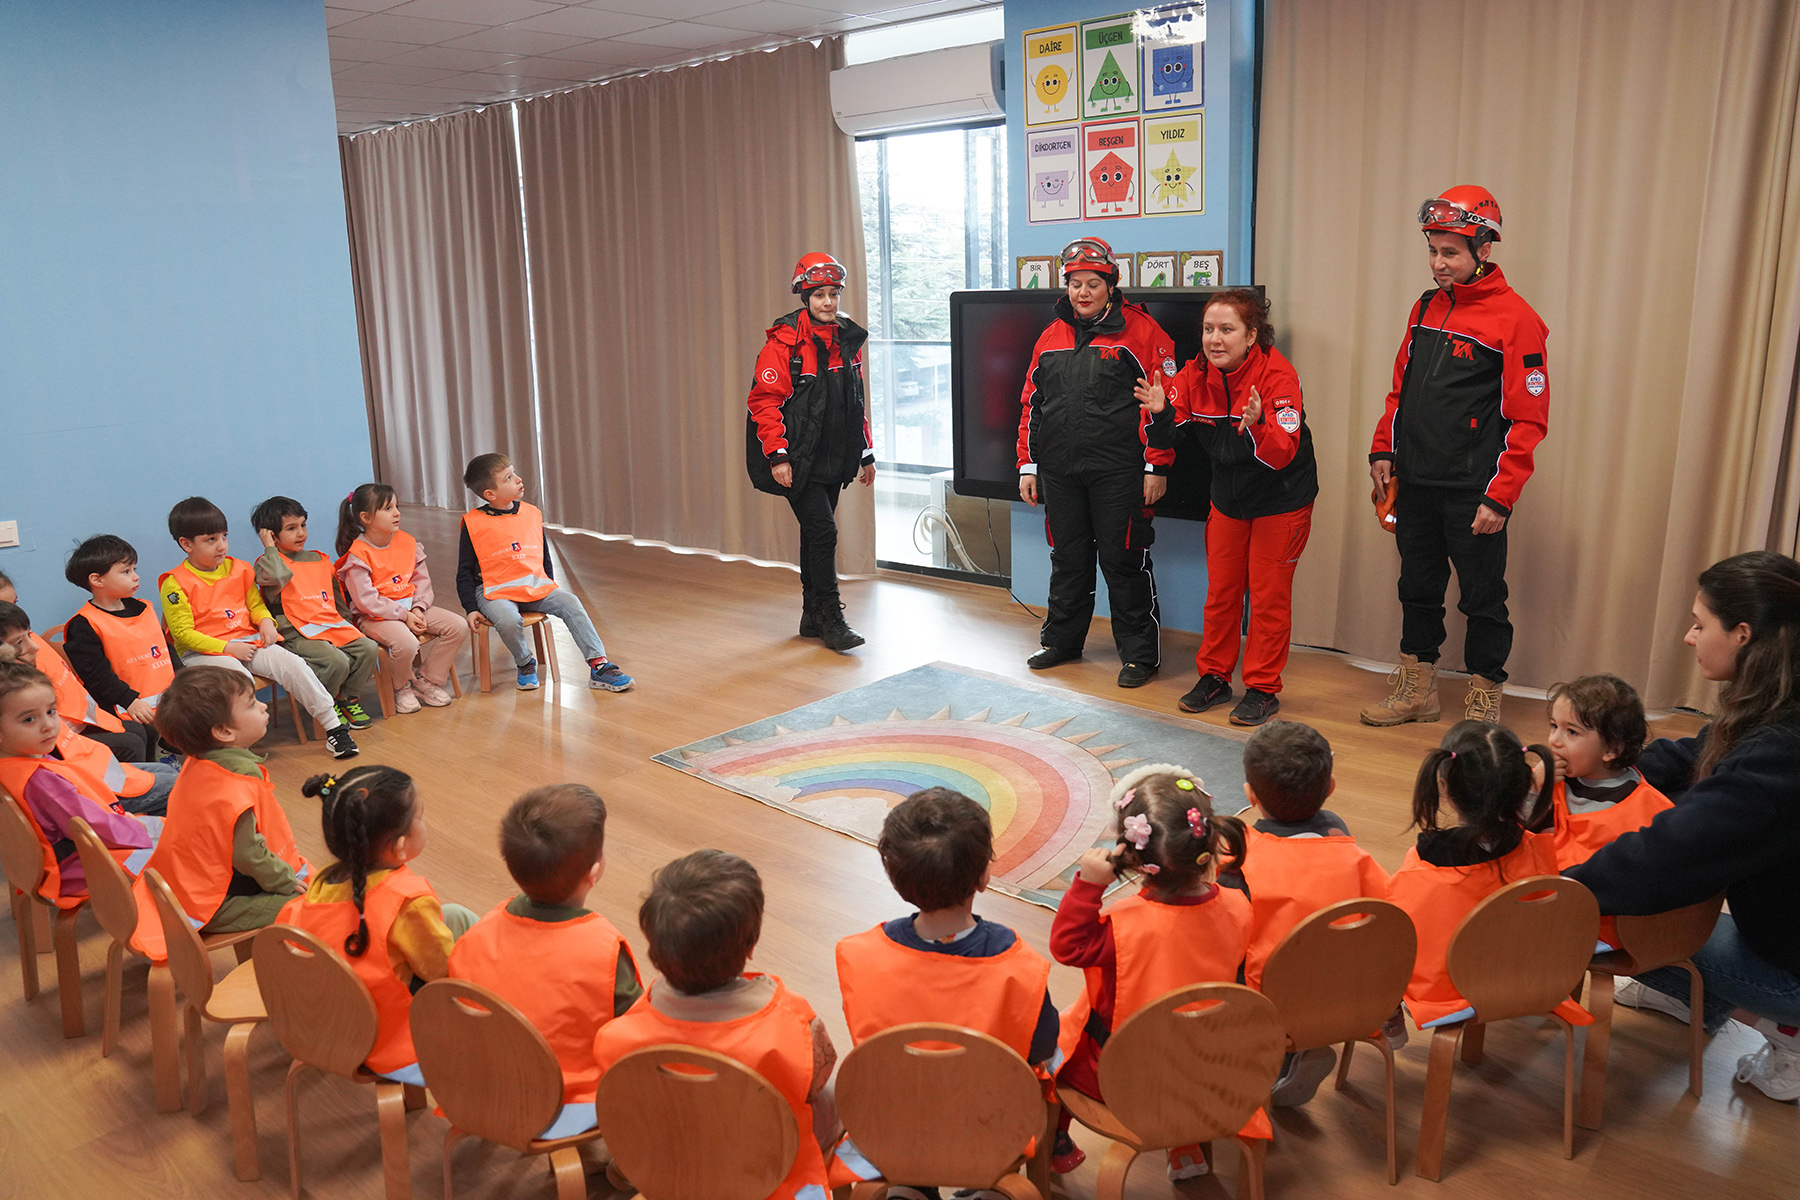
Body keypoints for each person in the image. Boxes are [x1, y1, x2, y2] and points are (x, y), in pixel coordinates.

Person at [1566, 552, 1800, 1101]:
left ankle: (1788, 1028)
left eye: (1699, 624)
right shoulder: (1779, 707)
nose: (1689, 637)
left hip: (1791, 969)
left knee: (1618, 926)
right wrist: (1594, 771)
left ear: (1743, 634)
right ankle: (1697, 999)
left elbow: (1665, 858)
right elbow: (1692, 754)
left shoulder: (1779, 756)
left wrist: (1558, 891)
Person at [1362, 187, 1550, 728]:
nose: (1438, 263)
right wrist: (1384, 448)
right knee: (1417, 590)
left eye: (1450, 252)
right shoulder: (1424, 307)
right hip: (1416, 482)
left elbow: (1529, 421)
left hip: (1475, 492)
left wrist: (1500, 497)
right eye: (1433, 251)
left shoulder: (1517, 319)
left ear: (1483, 250)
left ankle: (1484, 699)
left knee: (1482, 599)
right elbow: (1400, 391)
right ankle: (1417, 692)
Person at [831, 788, 1058, 1188]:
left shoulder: (856, 954)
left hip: (892, 1127)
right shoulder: (1020, 965)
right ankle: (987, 1188)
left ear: (896, 879)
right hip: (991, 1129)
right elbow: (1041, 1048)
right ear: (984, 876)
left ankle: (911, 1188)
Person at [593, 850, 839, 1200]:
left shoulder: (617, 1038)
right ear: (751, 944)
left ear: (655, 953)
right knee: (832, 1095)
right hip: (767, 1175)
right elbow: (815, 1083)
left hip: (673, 1160)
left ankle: (626, 1168)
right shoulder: (794, 1018)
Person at [1049, 765, 1253, 1179]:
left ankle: (1056, 1143)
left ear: (1133, 859)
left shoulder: (1124, 924)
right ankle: (1184, 1143)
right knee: (1178, 1025)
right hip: (1207, 1064)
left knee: (1054, 1051)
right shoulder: (1238, 904)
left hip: (1125, 1077)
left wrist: (1088, 885)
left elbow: (1066, 947)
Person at [1135, 289, 1317, 725]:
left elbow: (1282, 453)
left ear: (1252, 335)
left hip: (1280, 499)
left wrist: (1255, 427)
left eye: (1227, 329)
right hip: (1228, 499)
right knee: (1222, 594)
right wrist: (1159, 414)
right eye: (1208, 329)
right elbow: (1168, 436)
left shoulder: (1278, 375)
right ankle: (1215, 678)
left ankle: (1262, 688)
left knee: (1268, 599)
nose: (1214, 339)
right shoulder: (1193, 374)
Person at [1016, 237, 1177, 688]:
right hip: (1060, 472)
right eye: (1075, 284)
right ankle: (1062, 642)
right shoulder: (1050, 337)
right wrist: (1028, 465)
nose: (1082, 292)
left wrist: (1157, 466)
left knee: (1124, 562)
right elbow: (1031, 404)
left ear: (1111, 284)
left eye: (1092, 283)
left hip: (1120, 473)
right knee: (1068, 559)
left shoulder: (1144, 333)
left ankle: (1140, 656)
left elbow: (1164, 405)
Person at [448, 784, 641, 1137]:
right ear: (594, 871)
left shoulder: (476, 935)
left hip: (483, 1087)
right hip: (567, 1105)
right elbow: (636, 1036)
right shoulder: (605, 950)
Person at [1221, 720, 1392, 1103]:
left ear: (1250, 794)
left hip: (1274, 1009)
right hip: (1352, 993)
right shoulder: (1343, 842)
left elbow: (1222, 942)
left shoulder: (1240, 865)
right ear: (1330, 788)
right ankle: (1301, 1052)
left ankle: (1279, 1059)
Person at [280, 765, 478, 1085]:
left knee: (455, 915)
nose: (424, 823)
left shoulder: (322, 882)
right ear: (400, 846)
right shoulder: (406, 901)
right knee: (472, 948)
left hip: (333, 1018)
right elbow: (442, 972)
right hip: (387, 1032)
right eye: (420, 817)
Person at [1386, 721, 1560, 1030]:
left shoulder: (1423, 865)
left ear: (1444, 786)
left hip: (1447, 997)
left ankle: (1389, 1022)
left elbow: (1397, 938)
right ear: (1521, 787)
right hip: (1524, 977)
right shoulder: (1540, 849)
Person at [745, 252, 876, 654]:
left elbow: (856, 399)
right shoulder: (783, 344)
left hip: (834, 456)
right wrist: (778, 455)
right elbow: (764, 402)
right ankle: (832, 620)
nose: (828, 302)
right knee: (824, 532)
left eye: (834, 294)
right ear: (805, 297)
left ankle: (811, 616)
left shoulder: (845, 340)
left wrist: (865, 452)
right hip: (798, 458)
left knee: (814, 535)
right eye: (819, 294)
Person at [160, 496, 358, 759]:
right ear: (186, 544)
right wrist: (227, 648)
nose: (221, 545)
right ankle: (235, 750)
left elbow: (255, 605)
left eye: (224, 536)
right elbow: (183, 635)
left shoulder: (240, 569)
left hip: (247, 642)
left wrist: (266, 621)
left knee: (293, 664)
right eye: (211, 540)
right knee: (235, 680)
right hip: (203, 653)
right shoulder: (174, 583)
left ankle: (334, 728)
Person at [140, 666, 311, 936]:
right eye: (252, 704)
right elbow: (248, 854)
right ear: (223, 731)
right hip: (208, 904)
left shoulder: (199, 762)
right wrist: (284, 881)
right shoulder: (233, 779)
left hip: (182, 886)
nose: (264, 706)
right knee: (315, 904)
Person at [456, 453, 633, 693]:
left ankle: (599, 666)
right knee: (508, 620)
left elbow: (542, 556)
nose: (518, 479)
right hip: (494, 591)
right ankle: (525, 662)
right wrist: (470, 608)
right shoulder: (473, 522)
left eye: (514, 472)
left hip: (533, 585)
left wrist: (549, 585)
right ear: (490, 494)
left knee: (571, 602)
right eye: (508, 478)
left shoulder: (531, 513)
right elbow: (464, 571)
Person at [0, 661, 158, 903]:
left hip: (50, 863)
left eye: (51, 711)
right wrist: (136, 828)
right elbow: (94, 827)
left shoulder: (13, 764)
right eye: (29, 719)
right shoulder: (42, 782)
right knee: (176, 845)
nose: (48, 726)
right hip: (80, 867)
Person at [0, 601, 175, 814]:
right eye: (19, 642)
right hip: (82, 785)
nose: (35, 646)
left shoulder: (26, 682)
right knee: (175, 784)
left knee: (165, 770)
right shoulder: (18, 697)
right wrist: (132, 823)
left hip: (83, 767)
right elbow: (89, 819)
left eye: (51, 711)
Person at [0, 566, 157, 765]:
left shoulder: (30, 640)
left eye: (15, 603)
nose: (12, 613)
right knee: (131, 743)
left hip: (80, 718)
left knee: (140, 730)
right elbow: (96, 675)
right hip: (57, 738)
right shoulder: (83, 625)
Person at [251, 496, 380, 731]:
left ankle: (347, 699)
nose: (301, 533)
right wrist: (269, 548)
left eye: (303, 525)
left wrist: (348, 626)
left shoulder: (319, 559)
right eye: (291, 528)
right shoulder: (267, 564)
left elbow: (337, 599)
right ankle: (327, 706)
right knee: (336, 661)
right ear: (271, 534)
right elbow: (279, 577)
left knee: (368, 648)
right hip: (295, 632)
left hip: (329, 625)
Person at [335, 483, 465, 713]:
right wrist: (404, 615)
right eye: (388, 508)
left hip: (411, 609)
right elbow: (366, 602)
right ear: (366, 518)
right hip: (375, 617)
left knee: (458, 626)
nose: (397, 513)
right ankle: (401, 687)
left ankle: (426, 680)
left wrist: (418, 609)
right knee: (406, 643)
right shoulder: (358, 555)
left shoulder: (407, 542)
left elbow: (422, 582)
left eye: (397, 506)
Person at [1529, 674, 1670, 871]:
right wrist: (1533, 787)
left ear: (1612, 749)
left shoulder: (1649, 810)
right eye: (1554, 726)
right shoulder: (1546, 779)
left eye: (1572, 732)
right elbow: (1508, 830)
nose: (1554, 740)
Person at [59, 535, 177, 758]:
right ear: (97, 580)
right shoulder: (83, 624)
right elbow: (97, 676)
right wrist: (129, 700)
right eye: (126, 572)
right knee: (146, 734)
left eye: (134, 569)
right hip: (124, 706)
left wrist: (184, 678)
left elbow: (165, 649)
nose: (136, 576)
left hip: (168, 697)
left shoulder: (145, 608)